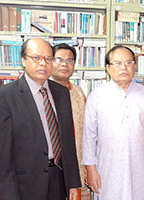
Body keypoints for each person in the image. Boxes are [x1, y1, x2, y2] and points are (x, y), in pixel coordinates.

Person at [0, 38, 81, 200]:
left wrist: (73, 182)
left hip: (59, 180)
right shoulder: (3, 97)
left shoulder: (61, 92)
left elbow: (68, 141)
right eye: (36, 58)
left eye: (48, 58)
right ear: (23, 60)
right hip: (24, 186)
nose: (43, 63)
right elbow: (1, 158)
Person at [82, 45, 144, 199]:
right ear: (108, 68)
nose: (123, 68)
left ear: (134, 66)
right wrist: (90, 169)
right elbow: (89, 136)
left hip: (140, 166)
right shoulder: (97, 95)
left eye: (128, 63)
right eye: (117, 63)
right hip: (107, 167)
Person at [51, 43, 89, 199]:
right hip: (49, 169)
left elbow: (87, 131)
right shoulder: (42, 92)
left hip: (75, 165)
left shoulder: (78, 93)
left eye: (70, 60)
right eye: (59, 59)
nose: (65, 64)